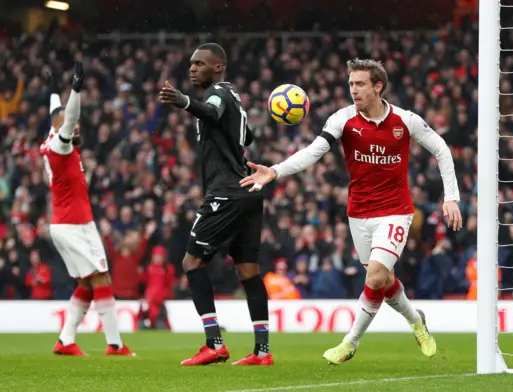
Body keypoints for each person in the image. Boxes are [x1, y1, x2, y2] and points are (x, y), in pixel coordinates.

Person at [240, 58, 463, 365]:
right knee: (384, 283)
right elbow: (314, 151)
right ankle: (416, 321)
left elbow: (441, 149)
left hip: (396, 210)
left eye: (359, 84)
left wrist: (450, 197)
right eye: (350, 84)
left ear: (377, 87)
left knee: (374, 276)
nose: (353, 90)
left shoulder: (405, 120)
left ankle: (350, 342)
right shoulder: (342, 120)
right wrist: (275, 171)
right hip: (359, 212)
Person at [158, 43, 271, 366]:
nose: (192, 68)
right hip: (248, 192)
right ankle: (262, 352)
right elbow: (246, 137)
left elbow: (212, 112)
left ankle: (214, 343)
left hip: (226, 193)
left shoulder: (218, 94)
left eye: (200, 64)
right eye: (191, 64)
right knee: (249, 271)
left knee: (192, 264)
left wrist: (183, 101)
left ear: (218, 67)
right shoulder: (234, 98)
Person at [41, 62, 134, 356]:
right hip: (75, 224)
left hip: (68, 223)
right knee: (102, 277)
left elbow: (57, 113)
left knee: (86, 281)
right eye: (70, 122)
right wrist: (76, 89)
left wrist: (54, 89)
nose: (76, 125)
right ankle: (115, 344)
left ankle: (65, 341)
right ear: (59, 126)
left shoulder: (50, 140)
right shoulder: (60, 146)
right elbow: (68, 118)